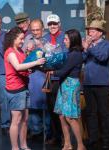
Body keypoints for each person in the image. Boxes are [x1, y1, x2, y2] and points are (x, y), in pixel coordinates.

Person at [4, 26, 45, 150]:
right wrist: (36, 63)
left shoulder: (20, 51)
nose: (23, 41)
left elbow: (24, 66)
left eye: (23, 39)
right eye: (21, 39)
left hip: (24, 87)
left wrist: (30, 67)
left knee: (25, 119)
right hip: (15, 89)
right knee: (16, 120)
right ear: (13, 38)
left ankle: (23, 145)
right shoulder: (10, 51)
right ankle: (15, 147)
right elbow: (17, 67)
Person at [49, 29, 85, 150]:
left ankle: (80, 145)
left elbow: (63, 71)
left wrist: (50, 71)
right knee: (61, 116)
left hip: (70, 84)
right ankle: (67, 144)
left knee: (70, 117)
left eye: (66, 39)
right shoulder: (70, 53)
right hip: (64, 84)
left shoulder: (75, 54)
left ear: (73, 40)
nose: (64, 41)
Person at [82, 20, 109, 150]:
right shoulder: (88, 45)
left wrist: (90, 48)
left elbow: (103, 57)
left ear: (100, 33)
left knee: (104, 113)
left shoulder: (106, 44)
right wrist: (84, 49)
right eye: (89, 30)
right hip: (88, 83)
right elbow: (82, 59)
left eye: (93, 31)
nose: (90, 33)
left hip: (101, 84)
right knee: (91, 112)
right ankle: (93, 138)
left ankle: (106, 139)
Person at [22, 19, 51, 139]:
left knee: (47, 105)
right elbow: (21, 57)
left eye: (37, 29)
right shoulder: (27, 39)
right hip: (32, 76)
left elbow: (53, 57)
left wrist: (42, 48)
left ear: (42, 29)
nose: (35, 32)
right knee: (32, 105)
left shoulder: (48, 39)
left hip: (44, 75)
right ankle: (36, 131)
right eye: (32, 30)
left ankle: (49, 132)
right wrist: (27, 51)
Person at [43, 13, 65, 145]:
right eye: (50, 24)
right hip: (49, 77)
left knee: (61, 109)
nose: (52, 26)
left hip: (61, 77)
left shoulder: (64, 37)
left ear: (59, 24)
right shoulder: (45, 38)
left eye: (54, 24)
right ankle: (56, 136)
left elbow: (66, 56)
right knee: (51, 109)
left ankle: (64, 137)